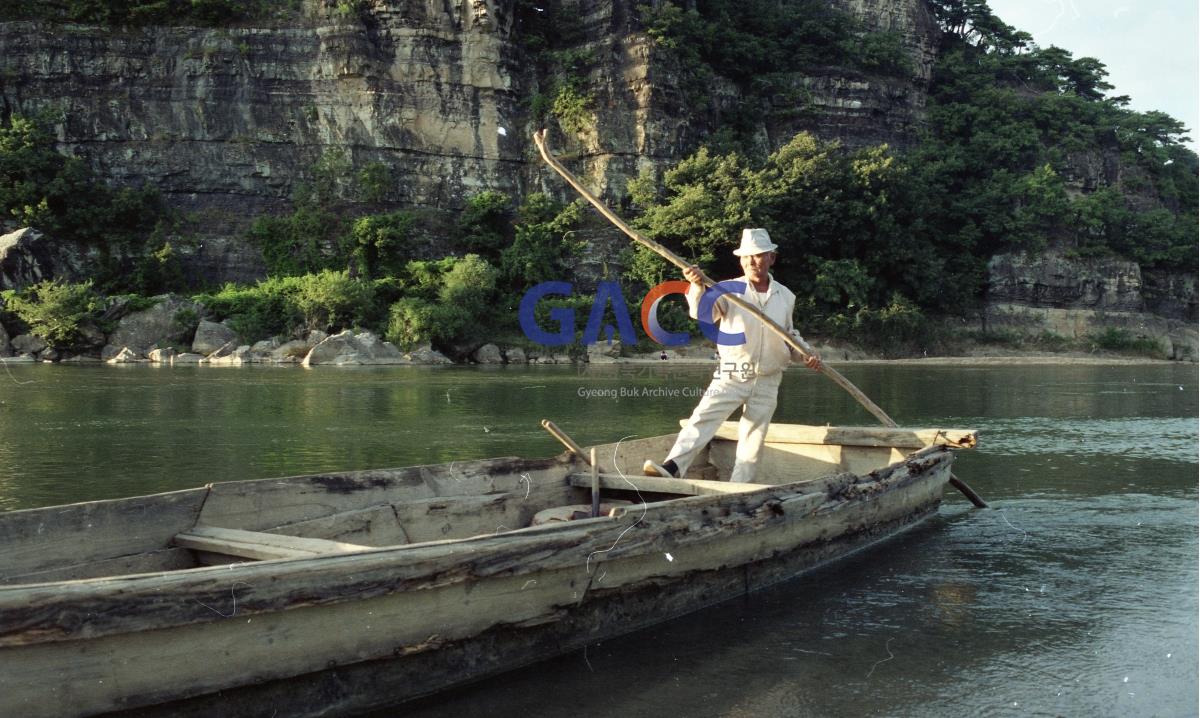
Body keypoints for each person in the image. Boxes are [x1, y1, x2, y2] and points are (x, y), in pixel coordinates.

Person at [643, 228, 822, 483]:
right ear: (740, 260)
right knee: (703, 417)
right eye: (746, 257)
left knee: (753, 438)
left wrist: (807, 354)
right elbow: (703, 314)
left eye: (758, 256)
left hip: (769, 378)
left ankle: (740, 487)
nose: (752, 262)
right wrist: (696, 285)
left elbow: (789, 334)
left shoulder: (785, 295)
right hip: (733, 373)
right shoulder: (727, 290)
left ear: (771, 258)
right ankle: (672, 467)